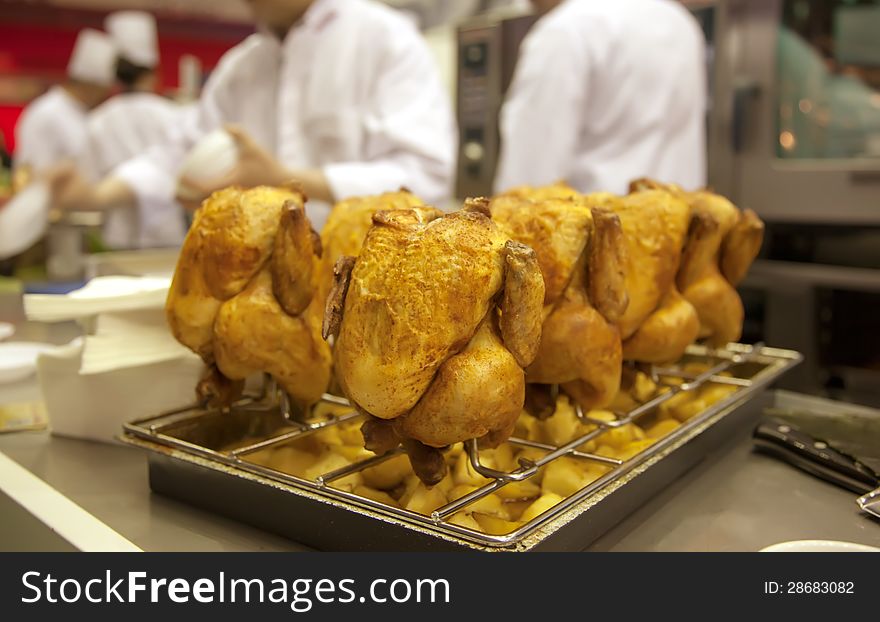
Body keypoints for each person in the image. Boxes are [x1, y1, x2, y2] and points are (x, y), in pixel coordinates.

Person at [55, 0, 456, 240]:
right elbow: (176, 155)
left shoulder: (386, 39)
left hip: (366, 286)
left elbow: (425, 175)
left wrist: (285, 178)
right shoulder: (242, 65)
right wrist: (93, 197)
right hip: (260, 286)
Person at [494, 0, 707, 195]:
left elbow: (527, 186)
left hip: (598, 229)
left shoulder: (567, 30)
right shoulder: (680, 23)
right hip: (677, 223)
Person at [88, 11, 189, 249]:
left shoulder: (97, 120)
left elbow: (92, 180)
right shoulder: (173, 114)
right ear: (153, 73)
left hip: (117, 233)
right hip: (168, 233)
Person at [14, 29, 116, 180]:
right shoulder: (45, 113)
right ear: (90, 86)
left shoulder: (87, 114)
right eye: (103, 90)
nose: (104, 96)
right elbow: (31, 172)